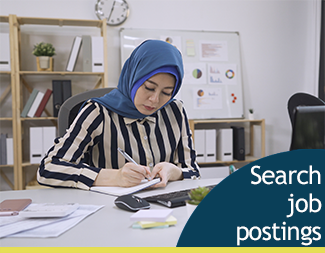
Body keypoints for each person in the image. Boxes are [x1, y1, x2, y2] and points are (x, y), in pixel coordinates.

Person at [37, 40, 200, 190]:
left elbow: (194, 172)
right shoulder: (97, 112)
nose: (155, 100)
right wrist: (114, 177)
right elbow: (48, 169)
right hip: (110, 210)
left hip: (164, 210)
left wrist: (175, 172)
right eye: (149, 88)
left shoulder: (175, 111)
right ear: (134, 77)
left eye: (166, 92)